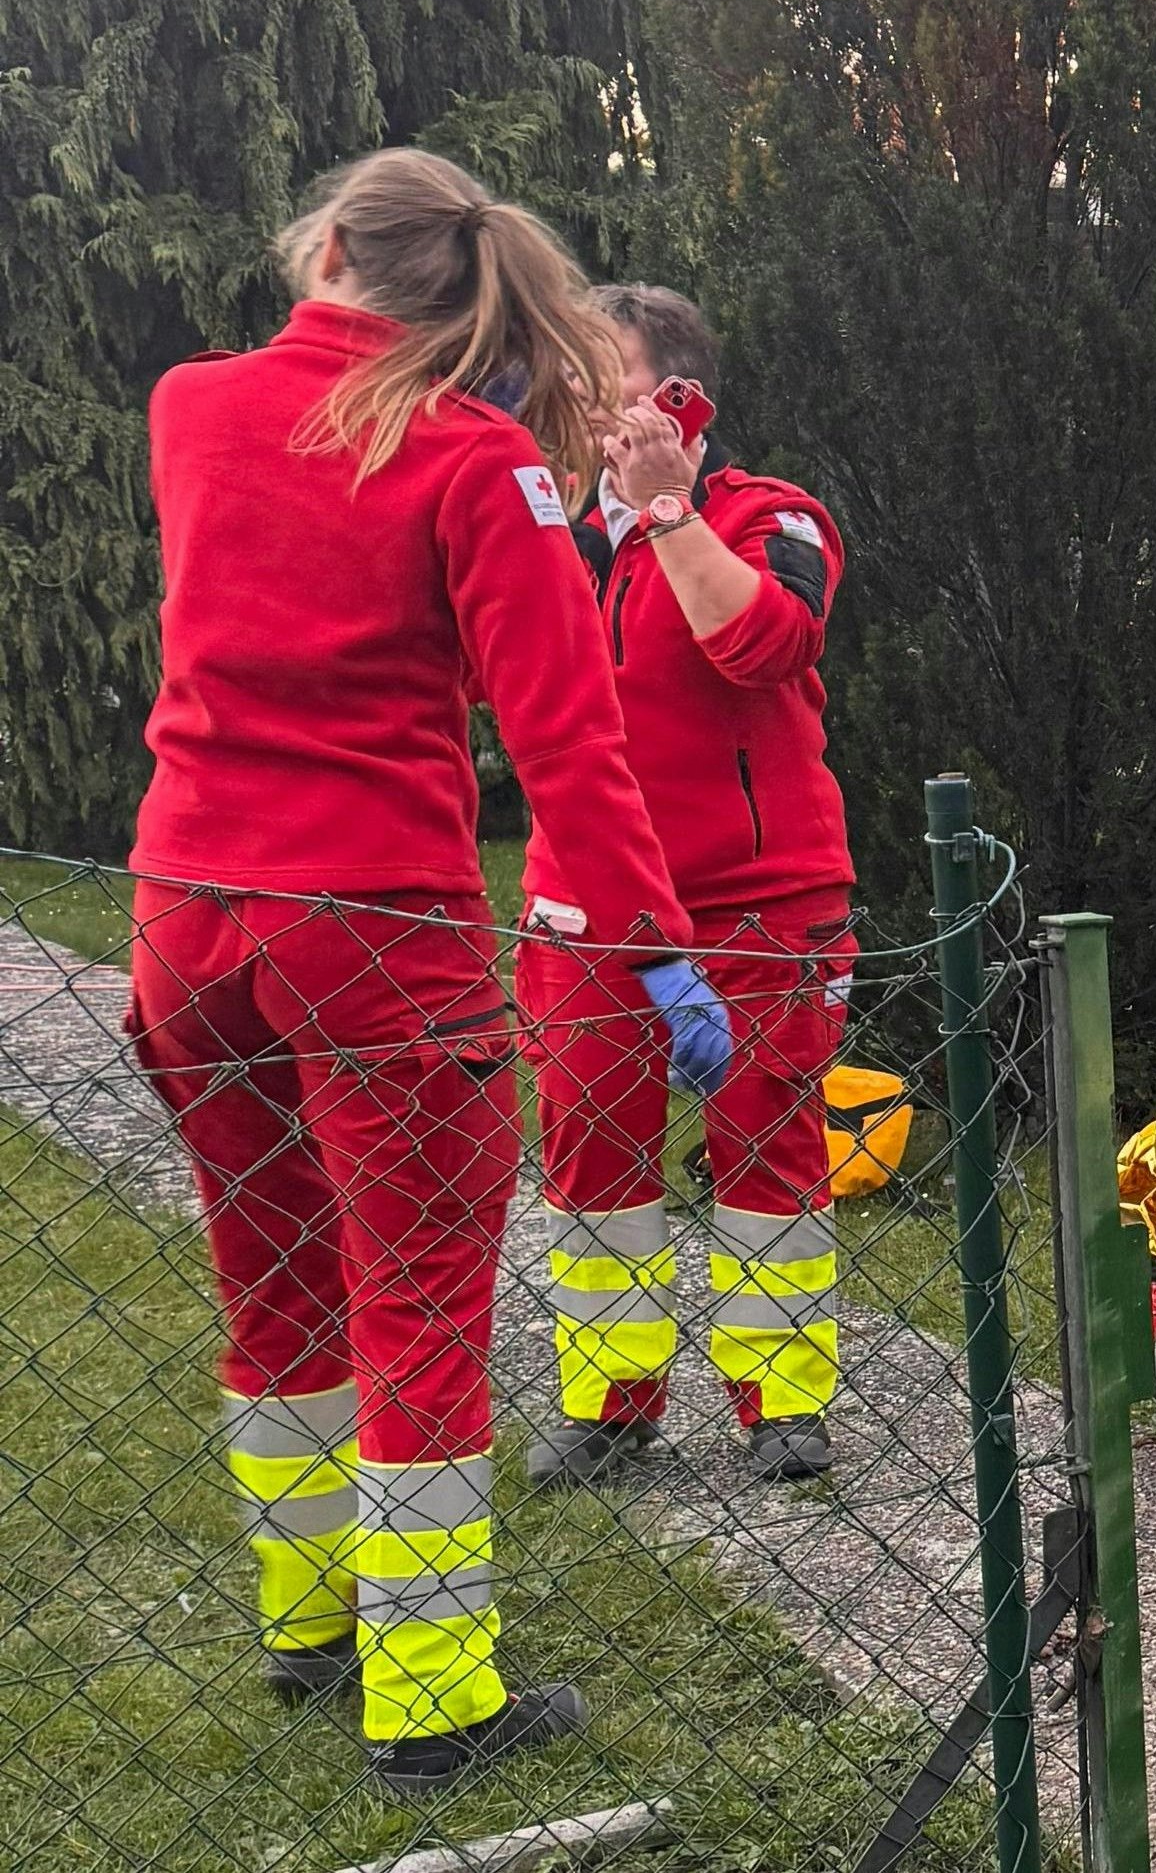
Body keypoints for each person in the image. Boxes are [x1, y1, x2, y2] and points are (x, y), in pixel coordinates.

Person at [123, 149, 717, 1788]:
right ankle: (435, 1691)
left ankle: (307, 1619)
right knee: (419, 1315)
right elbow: (570, 750)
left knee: (276, 1286)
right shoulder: (470, 461)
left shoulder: (190, 409)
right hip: (378, 934)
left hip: (189, 914)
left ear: (323, 245)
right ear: (474, 293)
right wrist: (658, 955)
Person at [513, 285, 858, 1489]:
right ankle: (612, 1401)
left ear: (677, 398)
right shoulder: (544, 530)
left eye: (596, 380)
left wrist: (668, 512)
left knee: (767, 1145)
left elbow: (761, 644)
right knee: (590, 1153)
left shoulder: (776, 518)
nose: (572, 403)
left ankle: (783, 1402)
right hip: (588, 903)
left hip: (760, 899)